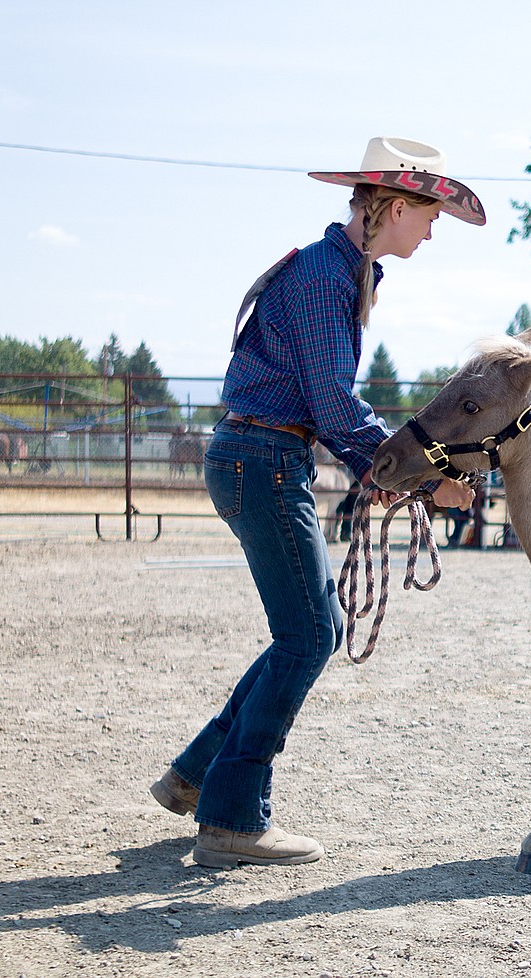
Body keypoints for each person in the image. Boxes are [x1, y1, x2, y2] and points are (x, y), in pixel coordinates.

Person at [150, 136, 480, 868]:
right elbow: (336, 406)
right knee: (308, 635)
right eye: (428, 218)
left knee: (316, 626)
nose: (431, 233)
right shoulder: (326, 279)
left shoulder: (335, 271)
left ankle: (195, 775)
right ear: (394, 207)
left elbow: (330, 408)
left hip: (262, 456)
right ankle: (232, 817)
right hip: (265, 459)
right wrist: (425, 478)